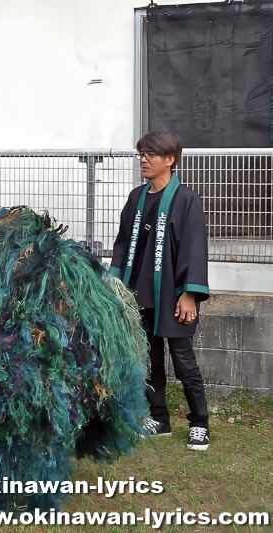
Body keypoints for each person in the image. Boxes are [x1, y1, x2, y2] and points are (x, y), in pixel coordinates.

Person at [111, 130, 211, 450]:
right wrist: (116, 285)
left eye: (151, 154)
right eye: (141, 153)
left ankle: (199, 423)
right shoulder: (136, 198)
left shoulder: (186, 200)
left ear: (170, 160)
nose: (144, 159)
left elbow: (194, 249)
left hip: (174, 294)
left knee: (184, 361)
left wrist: (190, 293)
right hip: (140, 293)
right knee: (148, 358)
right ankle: (160, 418)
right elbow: (123, 244)